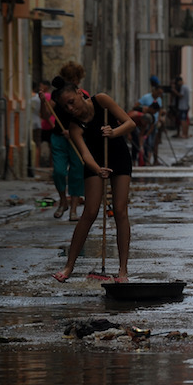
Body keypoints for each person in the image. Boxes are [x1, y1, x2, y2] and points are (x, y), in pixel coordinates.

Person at [50, 77, 136, 283]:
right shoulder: (75, 126)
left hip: (119, 155)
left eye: (72, 101)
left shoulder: (102, 101)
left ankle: (122, 271)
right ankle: (69, 266)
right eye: (65, 106)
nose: (70, 108)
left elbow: (130, 123)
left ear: (80, 93)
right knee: (89, 211)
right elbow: (85, 155)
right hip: (95, 163)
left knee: (120, 210)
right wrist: (98, 170)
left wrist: (113, 132)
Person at [47, 61, 87, 220]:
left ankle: (74, 209)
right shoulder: (56, 96)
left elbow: (87, 116)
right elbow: (46, 114)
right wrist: (45, 101)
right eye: (68, 78)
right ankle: (63, 201)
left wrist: (75, 131)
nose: (71, 81)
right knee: (58, 171)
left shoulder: (82, 94)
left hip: (76, 137)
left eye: (74, 78)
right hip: (59, 136)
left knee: (77, 172)